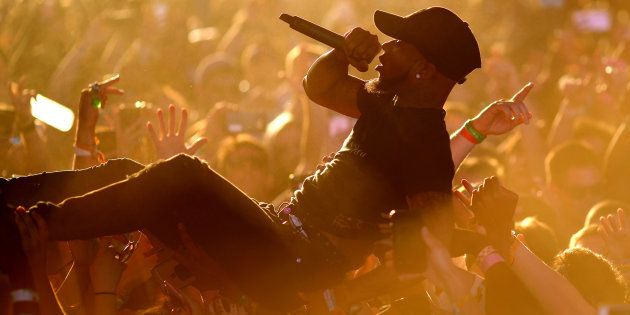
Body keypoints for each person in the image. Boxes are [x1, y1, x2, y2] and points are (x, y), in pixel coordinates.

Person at [1, 7, 532, 312]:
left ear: (424, 70)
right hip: (275, 231)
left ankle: (34, 229)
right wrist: (341, 53)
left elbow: (416, 262)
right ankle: (10, 201)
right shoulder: (384, 105)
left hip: (292, 261)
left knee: (184, 173)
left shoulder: (426, 151)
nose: (385, 50)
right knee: (125, 175)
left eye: (398, 46)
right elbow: (319, 85)